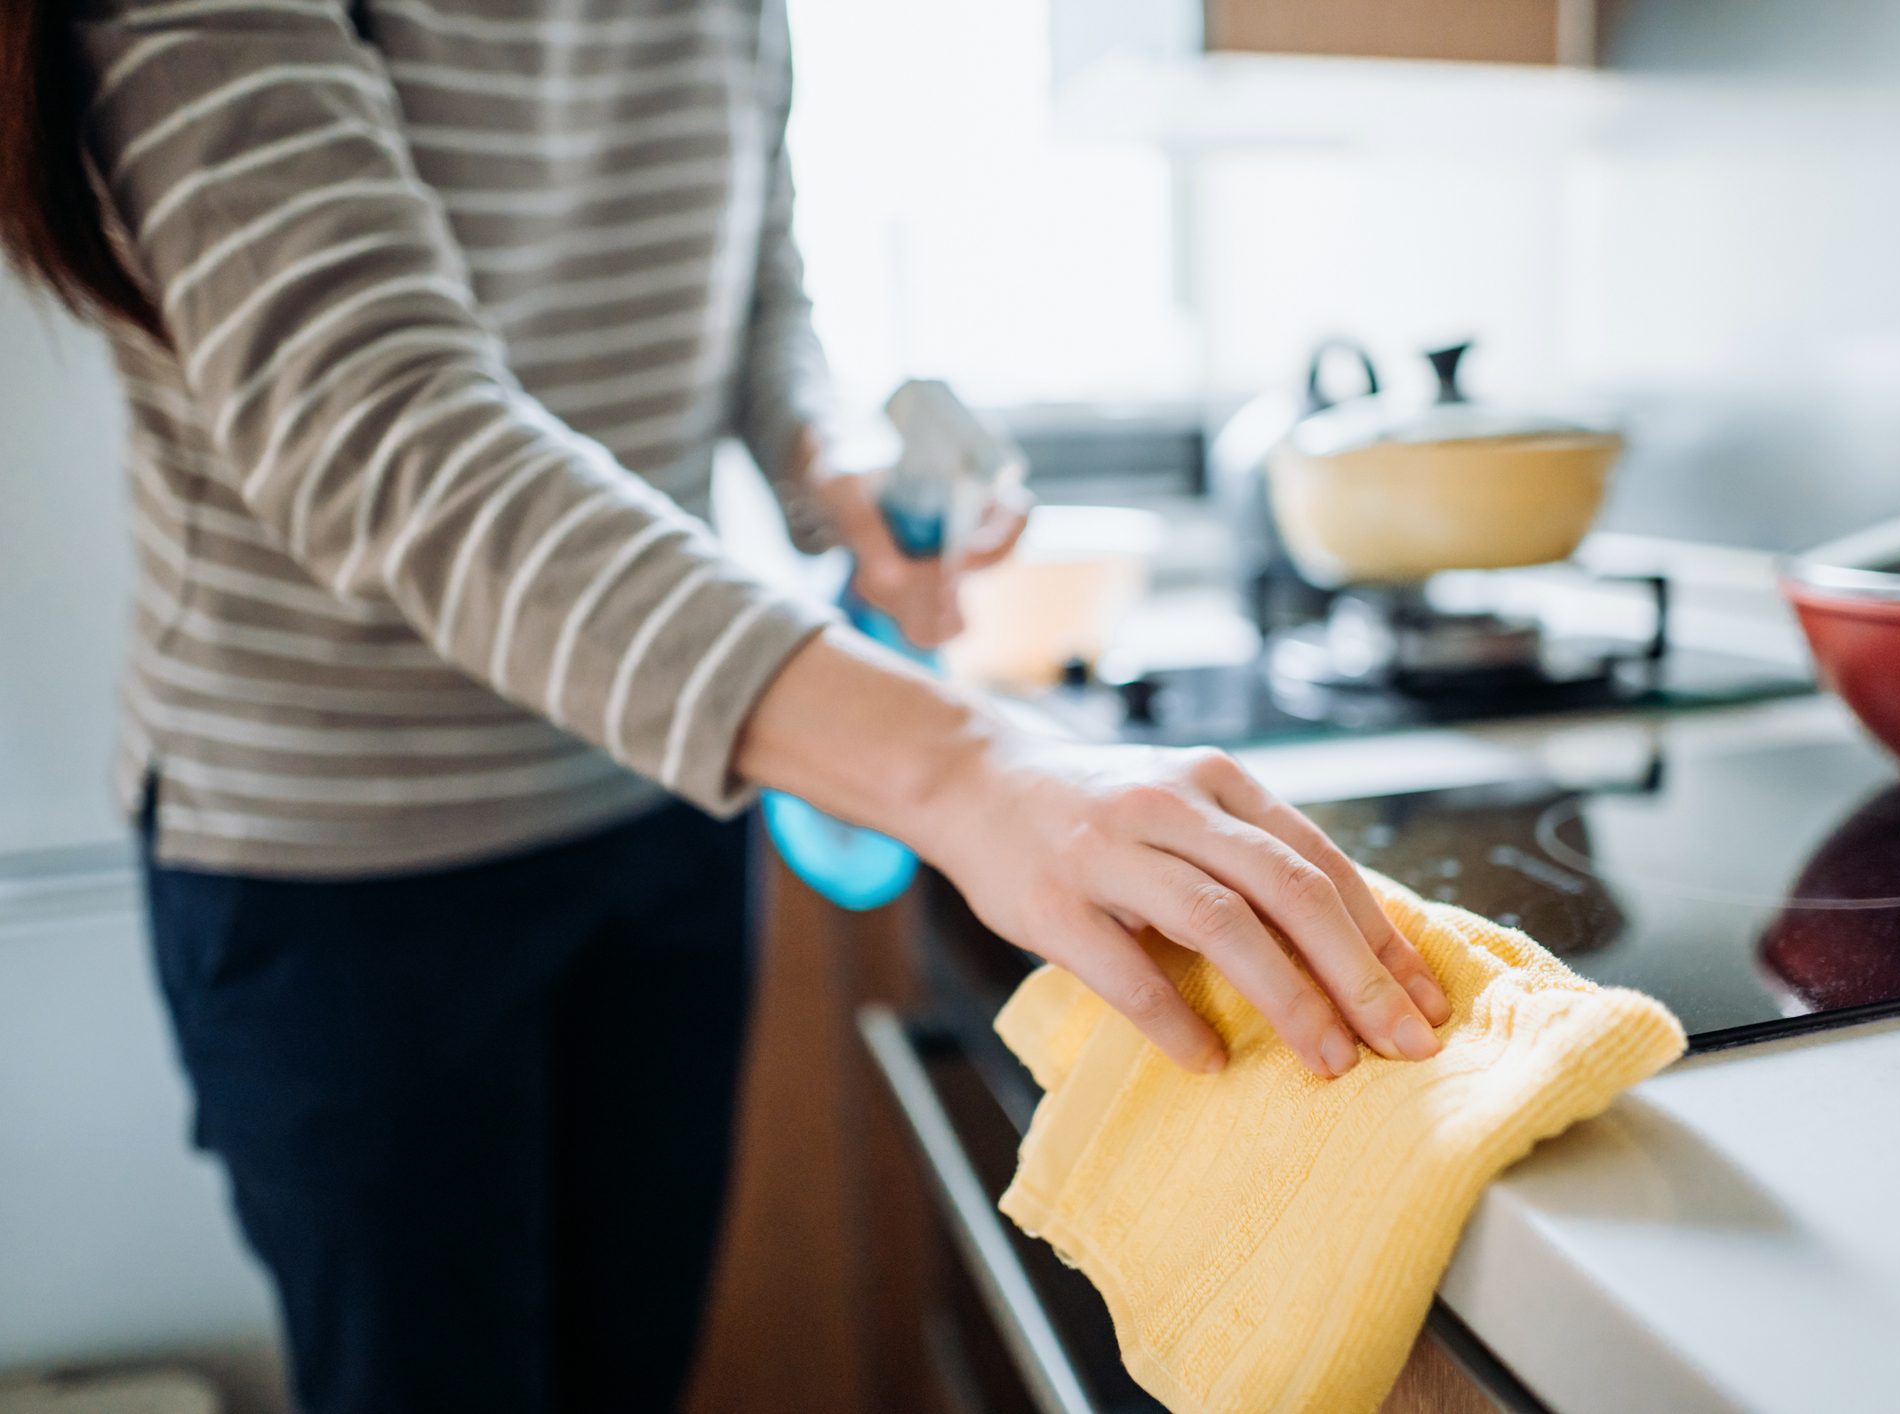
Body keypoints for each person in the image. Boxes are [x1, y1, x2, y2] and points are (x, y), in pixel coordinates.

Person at [0, 2, 1452, 1411]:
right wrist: (969, 770)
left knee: (634, 1366)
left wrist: (830, 465)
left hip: (654, 801)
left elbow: (755, 301)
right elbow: (378, 420)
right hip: (342, 861)